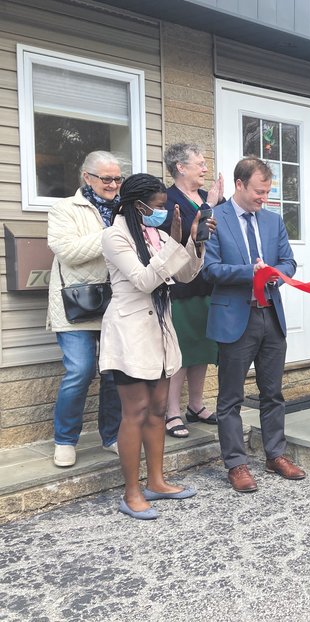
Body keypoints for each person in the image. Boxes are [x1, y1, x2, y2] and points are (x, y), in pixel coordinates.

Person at [100, 173, 208, 519]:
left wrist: (194, 243)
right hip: (129, 332)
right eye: (158, 207)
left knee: (159, 407)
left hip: (160, 329)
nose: (162, 213)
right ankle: (131, 492)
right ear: (138, 205)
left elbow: (186, 275)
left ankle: (157, 481)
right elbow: (146, 280)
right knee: (136, 410)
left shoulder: (156, 234)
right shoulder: (114, 236)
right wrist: (174, 244)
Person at [203, 156, 306, 493]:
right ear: (239, 185)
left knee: (273, 392)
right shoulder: (215, 218)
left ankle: (275, 454)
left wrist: (276, 274)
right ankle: (236, 463)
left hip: (270, 316)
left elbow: (288, 261)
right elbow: (210, 270)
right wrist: (252, 272)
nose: (265, 198)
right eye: (259, 192)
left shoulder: (274, 221)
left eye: (267, 192)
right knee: (230, 397)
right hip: (236, 317)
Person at [46, 151, 123, 467]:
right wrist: (112, 235)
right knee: (80, 370)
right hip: (75, 304)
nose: (114, 184)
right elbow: (67, 250)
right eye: (107, 178)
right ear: (87, 177)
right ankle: (65, 440)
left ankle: (113, 435)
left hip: (116, 302)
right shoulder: (64, 208)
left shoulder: (124, 208)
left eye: (118, 178)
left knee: (115, 373)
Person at [161, 143, 224, 439]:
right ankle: (172, 411)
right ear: (180, 167)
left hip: (207, 283)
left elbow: (220, 234)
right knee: (181, 351)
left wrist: (215, 203)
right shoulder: (166, 199)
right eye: (199, 163)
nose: (205, 168)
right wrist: (207, 206)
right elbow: (174, 240)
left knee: (202, 348)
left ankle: (196, 405)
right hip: (180, 287)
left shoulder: (207, 197)